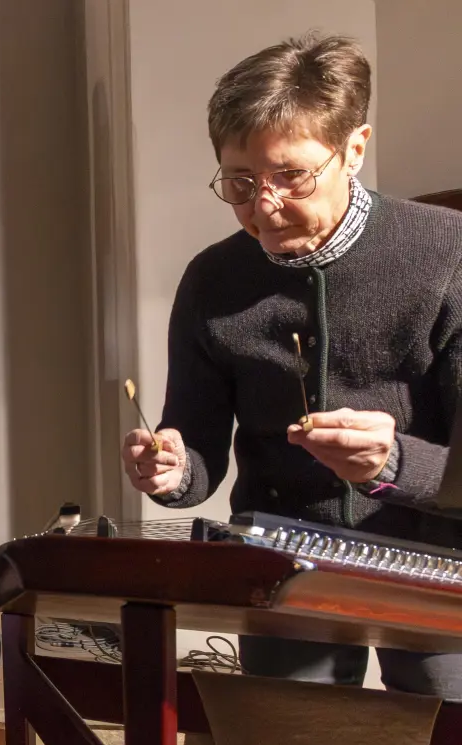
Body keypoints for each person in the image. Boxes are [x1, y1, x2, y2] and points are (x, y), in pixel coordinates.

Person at [122, 33, 462, 698]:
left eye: (291, 176)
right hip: (281, 558)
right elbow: (195, 452)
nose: (264, 206)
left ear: (354, 149)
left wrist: (393, 464)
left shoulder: (448, 255)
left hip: (436, 559)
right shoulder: (212, 281)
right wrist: (171, 466)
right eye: (240, 183)